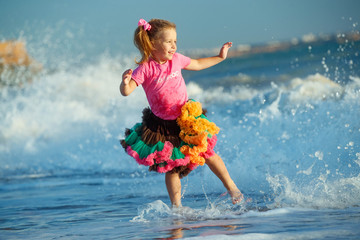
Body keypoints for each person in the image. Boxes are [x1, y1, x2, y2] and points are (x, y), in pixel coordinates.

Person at [120, 18, 243, 207]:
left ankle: (233, 189)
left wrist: (220, 57)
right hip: (162, 125)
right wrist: (124, 81)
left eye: (175, 41)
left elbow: (199, 64)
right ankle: (177, 208)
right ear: (152, 44)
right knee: (171, 168)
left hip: (186, 119)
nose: (173, 46)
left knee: (207, 153)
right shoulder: (145, 68)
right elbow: (126, 91)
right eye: (168, 42)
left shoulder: (176, 60)